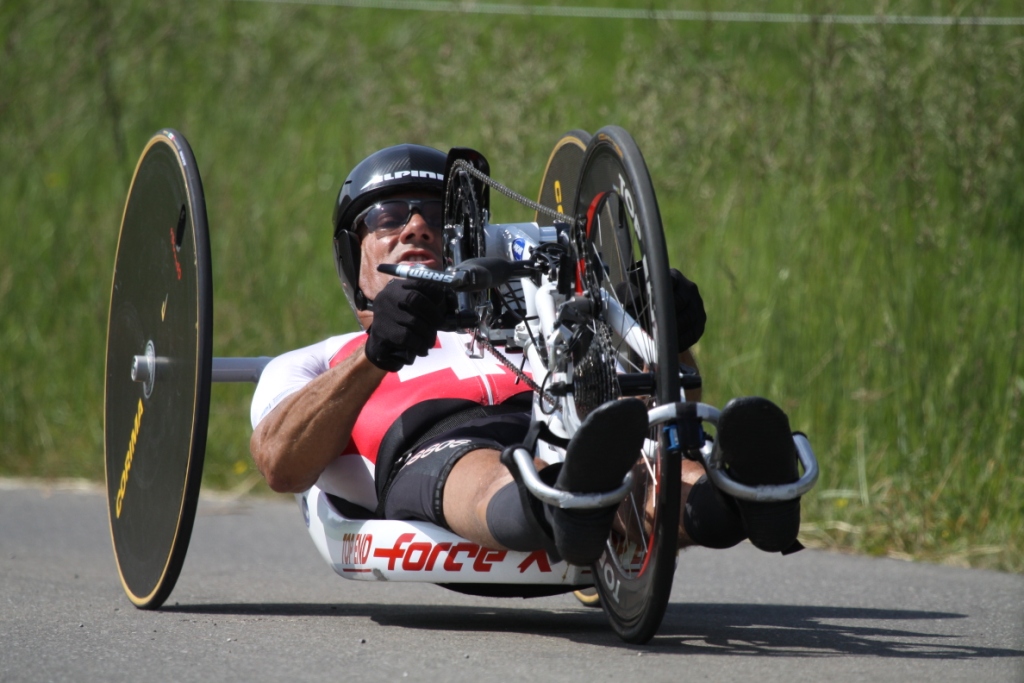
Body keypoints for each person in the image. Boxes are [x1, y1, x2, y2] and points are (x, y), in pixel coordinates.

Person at [249, 143, 802, 567]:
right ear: (353, 253)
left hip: (560, 421)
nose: (417, 225)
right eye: (389, 216)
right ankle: (558, 503)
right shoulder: (321, 360)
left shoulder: (540, 321)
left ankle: (735, 503)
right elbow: (280, 464)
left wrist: (667, 329)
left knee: (644, 454)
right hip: (434, 444)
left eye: (438, 217)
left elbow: (667, 403)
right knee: (481, 464)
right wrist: (376, 353)